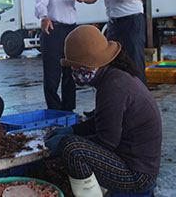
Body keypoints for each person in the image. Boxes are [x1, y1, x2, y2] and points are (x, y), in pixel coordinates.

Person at [44, 25, 161, 196]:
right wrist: (72, 129)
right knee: (71, 142)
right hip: (135, 162)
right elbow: (102, 120)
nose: (74, 72)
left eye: (76, 67)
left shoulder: (113, 86)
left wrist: (67, 139)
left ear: (88, 64)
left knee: (72, 149)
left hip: (138, 175)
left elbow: (107, 142)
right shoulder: (113, 75)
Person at [35, 0, 79, 111]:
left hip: (71, 30)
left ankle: (69, 109)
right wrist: (44, 17)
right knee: (52, 73)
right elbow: (41, 2)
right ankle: (54, 110)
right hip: (53, 29)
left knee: (70, 72)